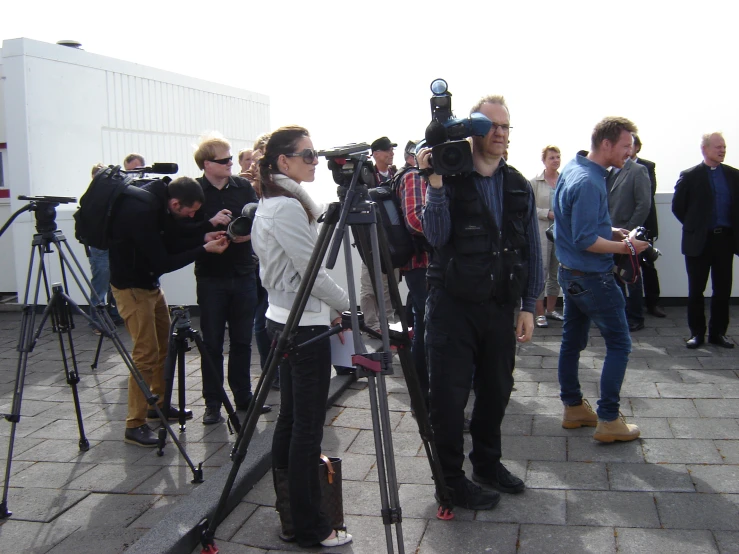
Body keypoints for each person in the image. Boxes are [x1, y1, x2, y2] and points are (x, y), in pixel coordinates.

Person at [420, 95, 543, 510]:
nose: (499, 133)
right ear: (472, 132)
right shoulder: (450, 177)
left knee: (496, 390)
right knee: (449, 401)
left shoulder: (518, 184)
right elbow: (435, 237)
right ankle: (451, 480)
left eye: (505, 127)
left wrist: (528, 304)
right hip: (452, 307)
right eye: (490, 125)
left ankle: (487, 465)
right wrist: (435, 184)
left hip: (498, 307)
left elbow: (531, 248)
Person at [251, 125, 352, 548]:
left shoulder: (274, 201)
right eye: (307, 155)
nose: (315, 161)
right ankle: (311, 526)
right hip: (302, 325)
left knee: (292, 421)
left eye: (315, 154)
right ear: (283, 163)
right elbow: (312, 271)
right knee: (306, 427)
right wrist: (349, 306)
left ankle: (293, 517)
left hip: (282, 318)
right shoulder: (288, 208)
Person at [109, 176, 229, 446]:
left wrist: (203, 235)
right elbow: (163, 260)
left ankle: (158, 406)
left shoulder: (159, 206)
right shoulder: (141, 213)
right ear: (175, 203)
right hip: (132, 289)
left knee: (164, 348)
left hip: (150, 286)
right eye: (190, 211)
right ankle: (134, 424)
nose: (192, 215)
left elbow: (173, 238)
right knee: (145, 354)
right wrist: (204, 248)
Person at [553, 116, 649, 443]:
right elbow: (585, 239)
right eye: (625, 146)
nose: (630, 152)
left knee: (572, 342)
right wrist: (628, 246)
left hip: (570, 275)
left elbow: (580, 226)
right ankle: (608, 419)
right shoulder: (590, 182)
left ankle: (573, 408)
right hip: (593, 278)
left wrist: (614, 232)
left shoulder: (573, 169)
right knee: (620, 343)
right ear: (606, 144)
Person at [193, 134, 270, 425]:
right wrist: (207, 228)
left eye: (229, 159)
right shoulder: (196, 191)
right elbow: (184, 228)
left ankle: (243, 396)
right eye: (223, 160)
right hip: (211, 276)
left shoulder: (242, 188)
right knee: (211, 342)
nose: (229, 164)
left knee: (241, 340)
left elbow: (258, 219)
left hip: (242, 272)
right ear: (206, 164)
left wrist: (246, 235)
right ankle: (213, 402)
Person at [672, 132, 739, 349]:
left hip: (725, 240)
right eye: (718, 146)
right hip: (699, 241)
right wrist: (695, 227)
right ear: (705, 149)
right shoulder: (690, 176)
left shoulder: (733, 175)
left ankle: (718, 333)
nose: (722, 150)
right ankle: (697, 333)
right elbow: (678, 207)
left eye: (724, 147)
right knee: (696, 289)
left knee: (722, 289)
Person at [87, 154, 146, 333]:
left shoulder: (116, 191)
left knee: (115, 281)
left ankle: (114, 314)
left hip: (113, 244)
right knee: (101, 281)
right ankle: (97, 320)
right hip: (100, 244)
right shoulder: (94, 197)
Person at [606, 138, 652, 332]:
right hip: (609, 235)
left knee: (632, 276)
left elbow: (643, 205)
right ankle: (620, 316)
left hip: (628, 235)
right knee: (614, 277)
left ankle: (635, 317)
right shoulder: (608, 172)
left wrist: (630, 232)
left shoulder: (638, 170)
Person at [397, 156, 431, 406]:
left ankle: (423, 392)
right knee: (433, 330)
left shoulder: (422, 176)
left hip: (425, 265)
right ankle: (430, 397)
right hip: (422, 265)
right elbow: (415, 220)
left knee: (422, 328)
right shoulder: (414, 176)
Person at [359, 137, 399, 333]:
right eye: (386, 150)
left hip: (392, 241)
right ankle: (373, 328)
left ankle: (389, 329)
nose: (391, 153)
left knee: (388, 289)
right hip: (369, 239)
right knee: (368, 289)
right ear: (375, 154)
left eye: (391, 149)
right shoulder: (366, 176)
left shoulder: (396, 175)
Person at [632, 135, 665, 317]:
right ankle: (631, 306)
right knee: (627, 267)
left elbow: (646, 194)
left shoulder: (648, 166)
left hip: (645, 225)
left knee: (648, 264)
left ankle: (654, 303)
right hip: (624, 227)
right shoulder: (615, 167)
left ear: (637, 147)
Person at [531, 145, 563, 328]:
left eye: (558, 157)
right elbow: (529, 209)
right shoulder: (535, 182)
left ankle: (551, 309)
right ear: (544, 160)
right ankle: (539, 312)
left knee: (556, 273)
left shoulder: (564, 181)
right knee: (540, 272)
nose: (556, 160)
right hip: (542, 233)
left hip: (560, 234)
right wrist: (547, 213)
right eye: (552, 157)